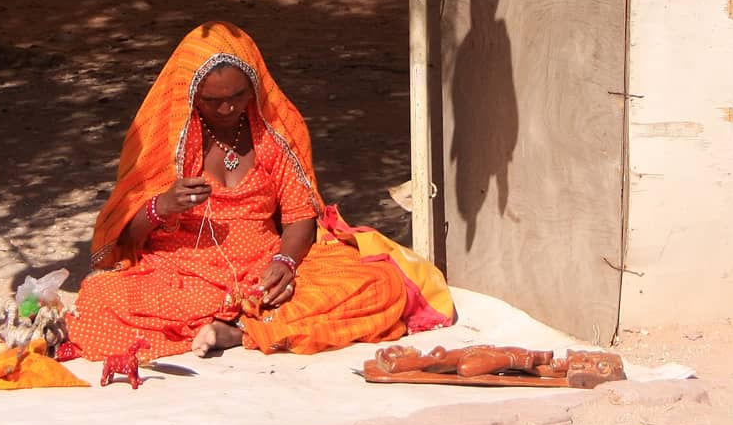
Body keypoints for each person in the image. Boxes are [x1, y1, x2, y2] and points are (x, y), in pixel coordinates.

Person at [70, 22, 454, 361]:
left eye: (238, 96)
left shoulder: (276, 136)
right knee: (100, 298)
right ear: (190, 94)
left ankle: (237, 331)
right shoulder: (169, 141)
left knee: (381, 286)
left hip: (264, 268)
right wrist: (161, 206)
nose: (226, 109)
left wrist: (286, 263)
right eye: (212, 100)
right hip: (184, 274)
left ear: (255, 86)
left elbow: (300, 215)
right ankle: (243, 321)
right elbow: (127, 240)